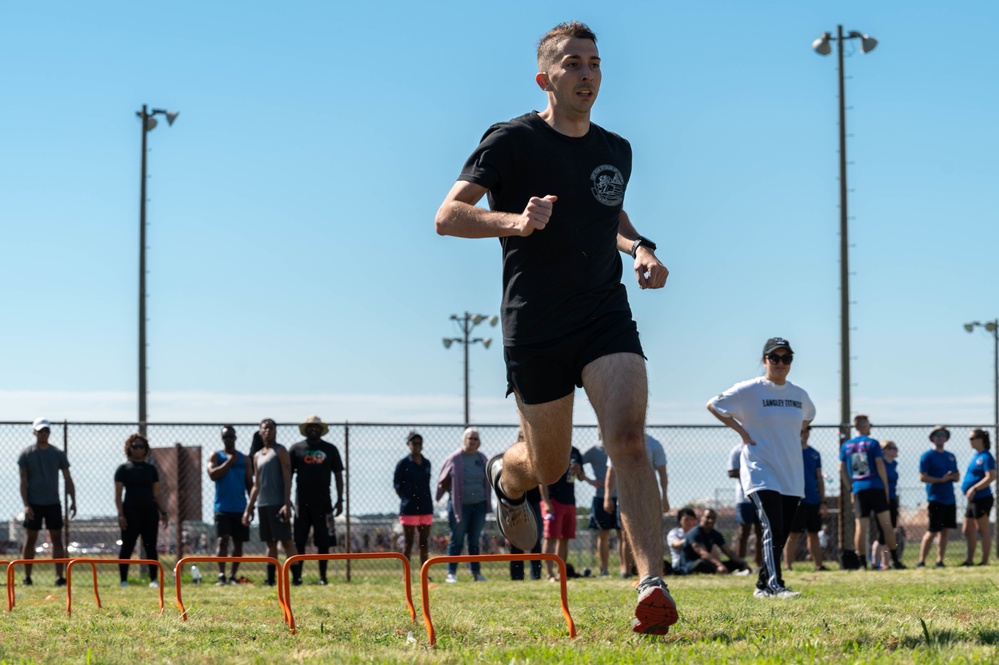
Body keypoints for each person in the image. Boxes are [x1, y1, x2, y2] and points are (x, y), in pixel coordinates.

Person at [434, 20, 676, 634]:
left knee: (628, 438)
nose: (587, 73)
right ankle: (505, 481)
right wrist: (517, 222)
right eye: (572, 63)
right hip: (535, 323)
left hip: (603, 314)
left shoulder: (615, 149)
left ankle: (652, 585)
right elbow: (448, 215)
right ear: (546, 78)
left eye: (594, 62)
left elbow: (609, 215)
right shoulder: (512, 139)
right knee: (547, 467)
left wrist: (639, 247)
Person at [707, 337, 815, 599]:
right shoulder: (749, 389)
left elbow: (808, 417)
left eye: (786, 358)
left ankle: (762, 585)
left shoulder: (799, 395)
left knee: (782, 532)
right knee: (773, 527)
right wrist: (742, 431)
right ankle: (776, 586)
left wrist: (788, 438)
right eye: (774, 358)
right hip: (760, 469)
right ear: (764, 360)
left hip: (791, 474)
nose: (780, 363)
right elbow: (714, 405)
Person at [840, 415, 905, 570]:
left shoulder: (847, 446)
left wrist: (851, 488)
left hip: (859, 489)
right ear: (863, 426)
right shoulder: (873, 443)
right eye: (869, 425)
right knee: (887, 525)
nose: (870, 427)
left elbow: (841, 469)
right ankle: (895, 560)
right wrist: (885, 488)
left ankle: (862, 563)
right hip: (876, 487)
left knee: (860, 527)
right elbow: (879, 465)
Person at [19, 418, 76, 587]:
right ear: (34, 432)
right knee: (30, 539)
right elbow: (23, 481)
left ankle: (59, 577)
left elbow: (67, 478)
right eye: (41, 431)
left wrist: (73, 500)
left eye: (47, 431)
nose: (44, 434)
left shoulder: (58, 454)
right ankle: (27, 577)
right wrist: (26, 504)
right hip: (34, 503)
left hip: (53, 503)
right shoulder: (26, 454)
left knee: (57, 539)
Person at [289, 416, 344, 586]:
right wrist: (287, 499)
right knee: (299, 541)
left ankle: (323, 577)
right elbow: (288, 476)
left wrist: (340, 499)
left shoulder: (330, 449)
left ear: (321, 429)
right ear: (306, 429)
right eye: (310, 427)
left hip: (324, 503)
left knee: (324, 542)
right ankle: (296, 578)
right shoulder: (296, 449)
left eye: (317, 427)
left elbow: (338, 475)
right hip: (301, 503)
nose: (314, 429)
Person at [242, 418, 297, 586]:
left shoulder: (280, 451)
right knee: (270, 542)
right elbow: (256, 485)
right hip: (263, 504)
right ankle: (271, 579)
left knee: (286, 541)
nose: (267, 431)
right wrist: (248, 509)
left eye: (271, 428)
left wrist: (286, 504)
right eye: (264, 428)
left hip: (278, 503)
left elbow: (288, 479)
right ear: (260, 431)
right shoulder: (257, 455)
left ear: (275, 431)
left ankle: (297, 578)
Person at [435, 428, 491, 583]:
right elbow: (442, 480)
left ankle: (476, 573)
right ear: (464, 440)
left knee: (474, 539)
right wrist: (444, 494)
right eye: (470, 438)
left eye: (475, 439)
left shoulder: (482, 458)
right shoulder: (455, 458)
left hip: (479, 505)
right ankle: (451, 573)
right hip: (459, 506)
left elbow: (489, 479)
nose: (472, 441)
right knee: (456, 538)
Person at [114, 433, 168, 587]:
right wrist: (121, 515)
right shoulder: (123, 469)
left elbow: (157, 493)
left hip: (149, 512)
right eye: (135, 446)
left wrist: (163, 512)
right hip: (130, 511)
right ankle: (123, 580)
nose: (138, 449)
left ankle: (153, 580)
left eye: (141, 447)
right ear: (129, 449)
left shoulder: (151, 470)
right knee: (127, 546)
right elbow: (118, 495)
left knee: (150, 546)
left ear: (146, 450)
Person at [207, 425, 252, 585]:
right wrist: (228, 462)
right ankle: (221, 575)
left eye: (231, 436)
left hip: (240, 507)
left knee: (238, 543)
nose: (229, 439)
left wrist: (250, 506)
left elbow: (249, 483)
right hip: (222, 507)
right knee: (222, 540)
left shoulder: (245, 459)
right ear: (222, 438)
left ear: (236, 438)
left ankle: (233, 575)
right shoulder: (216, 456)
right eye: (226, 436)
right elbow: (213, 474)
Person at [784, 425, 827, 571]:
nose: (805, 433)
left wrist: (823, 501)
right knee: (793, 534)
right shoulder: (789, 452)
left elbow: (819, 478)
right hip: (796, 500)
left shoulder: (815, 454)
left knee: (814, 534)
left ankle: (818, 565)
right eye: (802, 431)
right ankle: (788, 566)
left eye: (807, 430)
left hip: (813, 500)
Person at [916, 426, 960, 568]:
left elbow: (955, 476)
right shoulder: (927, 456)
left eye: (943, 434)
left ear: (946, 438)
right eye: (937, 435)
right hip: (935, 498)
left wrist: (954, 477)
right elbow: (922, 477)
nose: (940, 437)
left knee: (945, 530)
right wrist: (940, 480)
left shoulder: (951, 456)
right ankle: (921, 561)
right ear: (933, 438)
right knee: (933, 530)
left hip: (950, 498)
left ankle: (940, 561)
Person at [540, 445, 584, 582]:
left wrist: (579, 471)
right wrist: (546, 502)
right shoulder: (549, 450)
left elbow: (581, 477)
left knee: (564, 539)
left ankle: (561, 573)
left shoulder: (575, 452)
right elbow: (542, 480)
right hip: (553, 501)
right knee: (550, 537)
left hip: (570, 501)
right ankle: (549, 574)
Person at [394, 431, 434, 570]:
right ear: (408, 445)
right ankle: (406, 575)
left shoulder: (427, 463)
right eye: (414, 443)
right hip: (409, 508)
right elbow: (397, 485)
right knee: (408, 543)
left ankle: (425, 574)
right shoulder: (403, 463)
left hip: (426, 507)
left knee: (424, 543)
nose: (417, 445)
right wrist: (408, 498)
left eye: (419, 443)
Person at [507, 431, 543, 581]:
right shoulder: (511, 458)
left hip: (534, 502)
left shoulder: (537, 457)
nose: (524, 440)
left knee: (535, 538)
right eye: (521, 437)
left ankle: (536, 575)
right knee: (517, 540)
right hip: (516, 503)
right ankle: (517, 576)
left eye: (527, 436)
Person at [581, 438, 617, 578]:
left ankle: (625, 571)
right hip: (601, 497)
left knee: (624, 535)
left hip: (621, 496)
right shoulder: (594, 450)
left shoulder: (619, 444)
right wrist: (590, 481)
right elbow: (575, 463)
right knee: (603, 534)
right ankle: (604, 570)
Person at [961, 428, 995, 567]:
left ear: (980, 440)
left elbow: (991, 476)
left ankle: (984, 561)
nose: (970, 441)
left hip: (982, 497)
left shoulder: (986, 457)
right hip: (972, 499)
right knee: (967, 530)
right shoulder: (976, 456)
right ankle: (969, 561)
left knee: (982, 530)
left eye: (972, 438)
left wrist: (974, 488)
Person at [679, 509, 749, 575]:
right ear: (701, 518)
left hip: (708, 563)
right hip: (690, 564)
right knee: (700, 563)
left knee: (736, 563)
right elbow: (703, 553)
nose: (710, 520)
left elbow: (729, 552)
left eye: (713, 518)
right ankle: (719, 571)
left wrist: (742, 562)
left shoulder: (715, 534)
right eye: (708, 517)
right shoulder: (694, 533)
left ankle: (736, 570)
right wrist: (719, 565)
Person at [728, 442, 763, 571]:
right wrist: (749, 472)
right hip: (744, 497)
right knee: (744, 531)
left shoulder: (761, 446)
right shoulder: (737, 450)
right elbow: (731, 472)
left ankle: (759, 564)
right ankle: (740, 565)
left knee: (761, 530)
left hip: (761, 495)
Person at [871, 440, 900, 569]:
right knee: (882, 534)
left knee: (890, 532)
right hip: (881, 499)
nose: (896, 450)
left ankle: (885, 563)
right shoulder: (880, 464)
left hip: (892, 499)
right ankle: (874, 563)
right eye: (892, 448)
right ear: (885, 450)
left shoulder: (893, 464)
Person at [666, 508, 697, 573]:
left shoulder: (697, 533)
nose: (689, 522)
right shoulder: (674, 533)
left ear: (695, 521)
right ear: (680, 521)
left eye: (691, 519)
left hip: (695, 561)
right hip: (679, 564)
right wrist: (691, 540)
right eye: (686, 520)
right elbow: (675, 545)